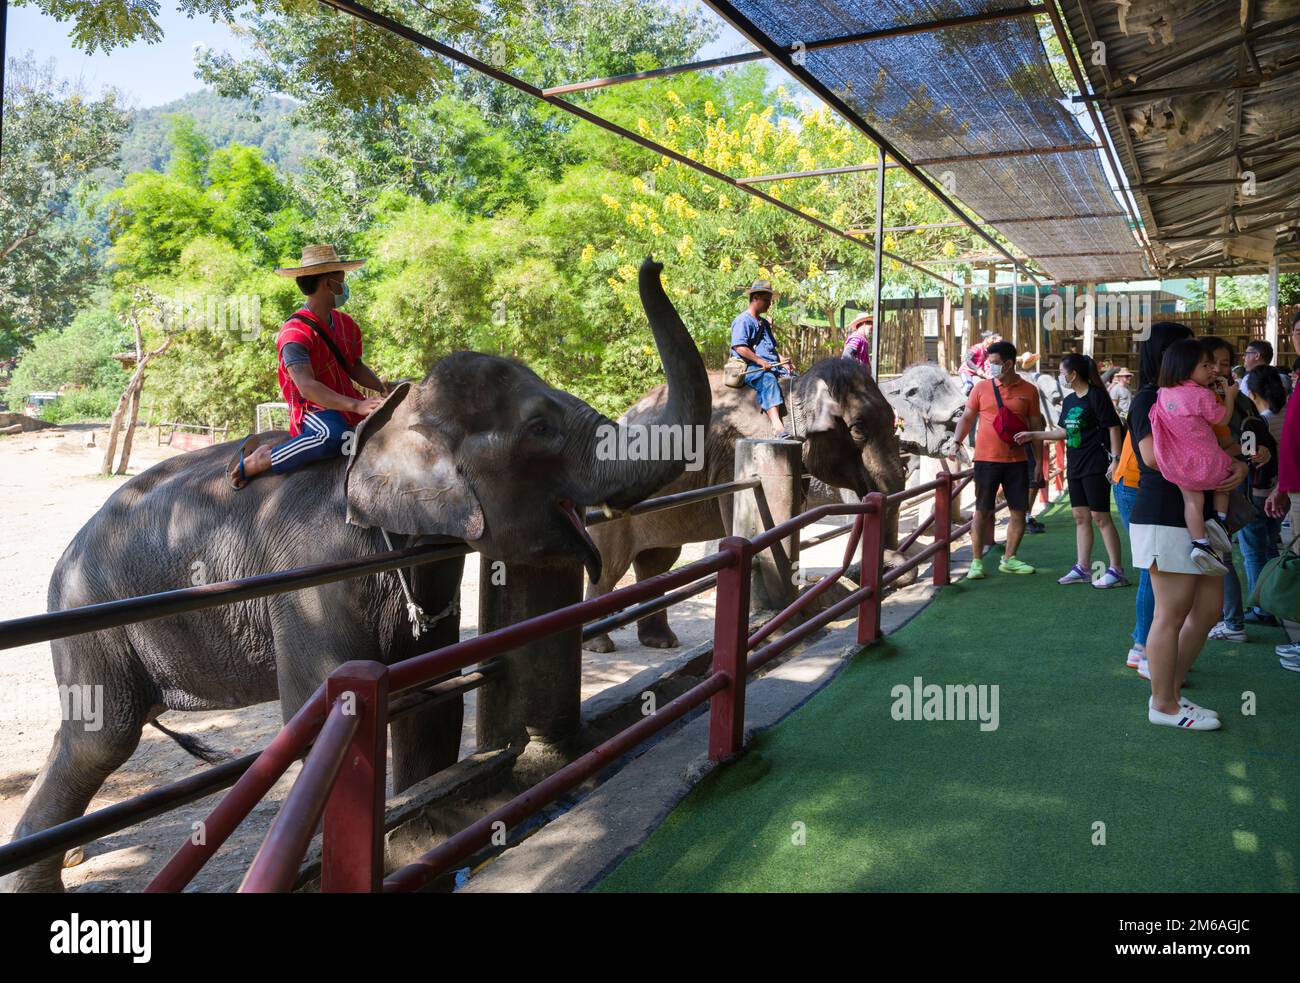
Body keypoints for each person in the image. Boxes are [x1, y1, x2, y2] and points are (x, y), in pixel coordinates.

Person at [1129, 327, 1248, 730]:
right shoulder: (1150, 397)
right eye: (1197, 355)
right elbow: (1151, 458)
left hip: (1199, 516)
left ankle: (1172, 692)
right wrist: (1213, 470)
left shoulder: (1198, 396)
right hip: (1165, 514)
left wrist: (1239, 463)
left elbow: (1224, 442)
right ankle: (1162, 705)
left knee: (1209, 609)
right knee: (1172, 612)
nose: (1210, 364)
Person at [228, 244, 386, 488]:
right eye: (341, 278)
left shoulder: (347, 324)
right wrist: (357, 404)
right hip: (315, 410)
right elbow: (307, 386)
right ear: (327, 283)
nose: (345, 285)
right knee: (331, 437)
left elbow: (355, 366)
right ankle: (262, 460)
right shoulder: (294, 333)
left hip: (349, 404)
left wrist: (383, 387)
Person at [1113, 323, 1192, 677]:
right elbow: (1151, 458)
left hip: (1164, 495)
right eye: (1189, 351)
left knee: (1166, 585)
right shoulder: (1149, 396)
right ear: (1166, 355)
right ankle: (1143, 648)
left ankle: (1151, 653)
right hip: (1139, 488)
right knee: (1152, 575)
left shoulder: (1180, 393)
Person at [1015, 352, 1126, 587]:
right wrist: (1033, 435)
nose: (1061, 376)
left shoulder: (1097, 396)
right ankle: (1083, 567)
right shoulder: (1071, 400)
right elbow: (1064, 432)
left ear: (1073, 374)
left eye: (1063, 373)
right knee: (1079, 516)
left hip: (1096, 463)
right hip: (1075, 464)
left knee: (1100, 516)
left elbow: (1113, 427)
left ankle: (1117, 569)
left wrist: (1115, 459)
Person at [944, 339, 1042, 579]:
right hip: (986, 460)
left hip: (1018, 460)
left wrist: (1039, 461)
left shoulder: (1029, 390)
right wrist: (956, 442)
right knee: (982, 511)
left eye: (996, 363)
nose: (991, 367)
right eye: (990, 363)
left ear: (1009, 364)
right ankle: (976, 562)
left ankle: (1009, 558)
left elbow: (1036, 427)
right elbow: (967, 417)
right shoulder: (981, 388)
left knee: (1019, 511)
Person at [1148, 339, 1238, 573]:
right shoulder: (1201, 395)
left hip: (1175, 464)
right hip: (1206, 461)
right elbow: (1223, 419)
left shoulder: (1163, 393)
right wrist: (1229, 395)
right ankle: (1219, 521)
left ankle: (1200, 543)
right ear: (1186, 367)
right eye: (1206, 366)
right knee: (1225, 476)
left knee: (1192, 501)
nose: (1214, 370)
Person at [1238, 364, 1286, 627]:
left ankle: (1261, 610)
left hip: (1256, 493)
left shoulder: (1255, 422)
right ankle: (1272, 602)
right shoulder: (1288, 414)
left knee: (1253, 554)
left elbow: (1247, 457)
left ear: (1252, 392)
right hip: (1281, 493)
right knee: (1269, 550)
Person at [731, 279, 796, 438]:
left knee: (795, 379)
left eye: (770, 301)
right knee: (768, 380)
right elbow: (739, 347)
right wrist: (760, 361)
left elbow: (770, 348)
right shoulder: (743, 321)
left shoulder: (764, 323)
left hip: (772, 365)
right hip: (752, 367)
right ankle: (777, 426)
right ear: (755, 298)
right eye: (766, 300)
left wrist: (783, 360)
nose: (769, 305)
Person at [958, 330, 1000, 396]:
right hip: (966, 371)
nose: (993, 340)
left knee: (994, 382)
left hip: (978, 371)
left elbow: (987, 363)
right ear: (986, 339)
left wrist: (989, 374)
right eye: (992, 338)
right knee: (968, 385)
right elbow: (967, 359)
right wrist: (977, 370)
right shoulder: (977, 347)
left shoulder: (988, 350)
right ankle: (958, 402)